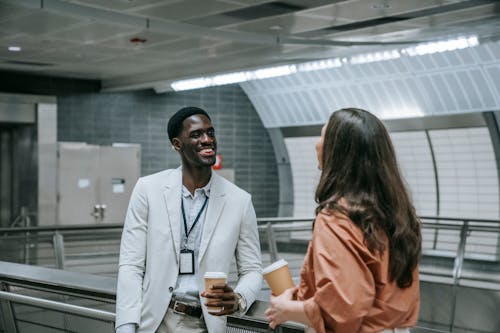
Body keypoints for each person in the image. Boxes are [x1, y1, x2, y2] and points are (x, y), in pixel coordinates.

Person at [265, 108, 421, 333]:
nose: (316, 144)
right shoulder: (396, 212)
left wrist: (286, 309)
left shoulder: (336, 218)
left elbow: (344, 311)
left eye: (322, 136)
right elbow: (367, 291)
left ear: (337, 152)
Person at [115, 106, 262, 333]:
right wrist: (126, 328)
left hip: (205, 324)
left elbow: (252, 269)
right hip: (154, 323)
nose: (207, 140)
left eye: (210, 133)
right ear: (177, 144)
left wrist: (240, 299)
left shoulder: (239, 201)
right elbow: (131, 265)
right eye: (196, 135)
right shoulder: (148, 189)